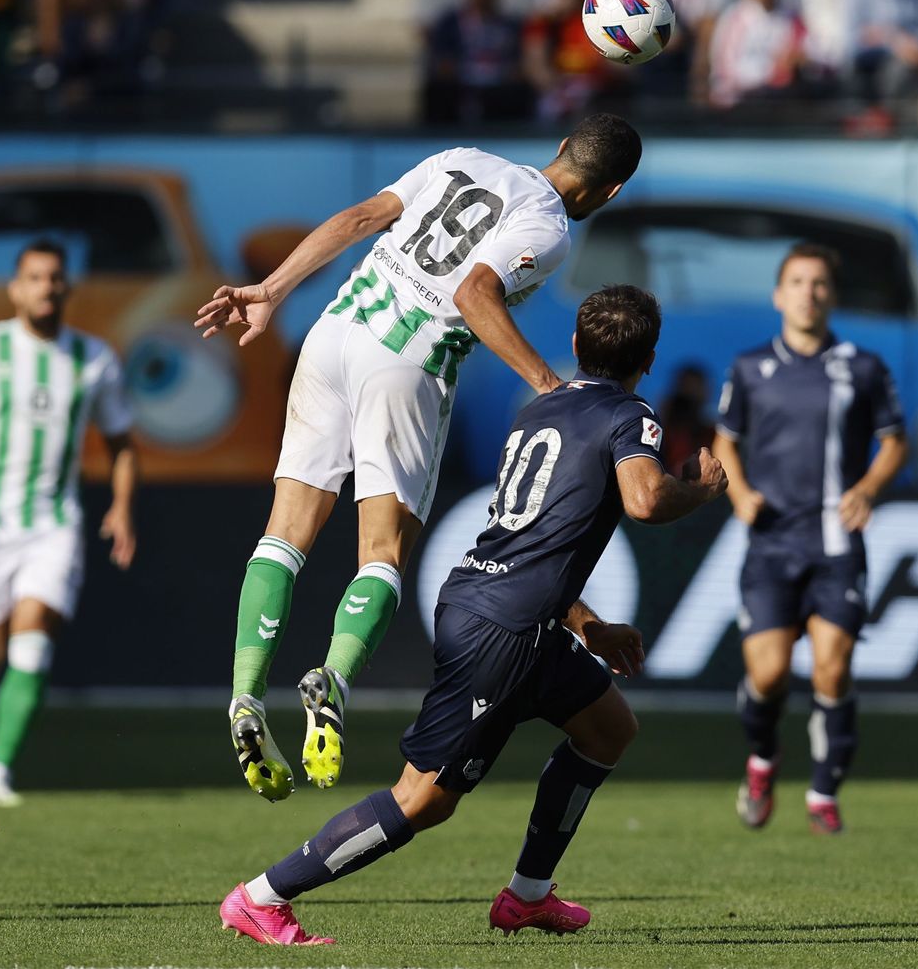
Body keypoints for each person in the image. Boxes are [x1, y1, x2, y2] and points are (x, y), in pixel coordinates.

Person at [216, 285, 728, 945]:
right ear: (649, 359)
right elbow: (646, 500)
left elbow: (531, 541)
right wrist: (702, 490)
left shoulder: (539, 410)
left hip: (508, 609)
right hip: (504, 629)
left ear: (575, 345)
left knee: (608, 729)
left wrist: (588, 626)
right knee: (422, 800)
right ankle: (261, 897)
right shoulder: (631, 415)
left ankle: (528, 896)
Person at [194, 114, 642, 803]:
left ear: (560, 148)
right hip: (407, 360)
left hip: (335, 332)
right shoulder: (549, 227)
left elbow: (358, 219)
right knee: (382, 552)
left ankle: (245, 696)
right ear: (610, 191)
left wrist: (272, 289)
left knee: (284, 533)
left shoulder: (462, 157)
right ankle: (333, 680)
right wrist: (548, 385)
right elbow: (473, 293)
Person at [0, 239, 139, 806]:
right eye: (35, 277)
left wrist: (121, 506)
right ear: (15, 289)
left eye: (55, 277)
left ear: (67, 287)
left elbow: (121, 442)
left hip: (53, 524)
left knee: (34, 639)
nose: (46, 287)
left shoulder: (94, 358)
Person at [715, 243, 909, 836]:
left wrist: (869, 488)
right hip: (772, 544)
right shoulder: (750, 367)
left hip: (836, 546)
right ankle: (762, 760)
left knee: (832, 668)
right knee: (769, 676)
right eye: (797, 282)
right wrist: (738, 492)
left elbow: (895, 440)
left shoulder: (863, 366)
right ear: (779, 295)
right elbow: (725, 440)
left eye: (819, 283)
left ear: (833, 295)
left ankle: (823, 791)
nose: (809, 293)